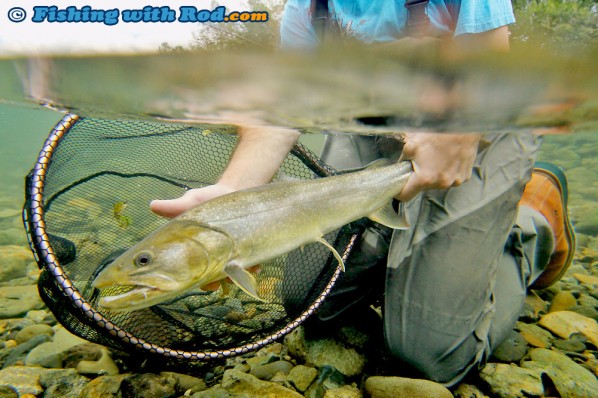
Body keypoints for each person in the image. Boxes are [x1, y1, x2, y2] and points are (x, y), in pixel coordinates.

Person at [150, 0, 575, 386]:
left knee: (431, 356)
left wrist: (458, 132)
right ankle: (398, 242)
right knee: (309, 304)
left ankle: (532, 222)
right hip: (369, 126)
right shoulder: (308, 5)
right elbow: (284, 106)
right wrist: (232, 194)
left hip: (481, 116)